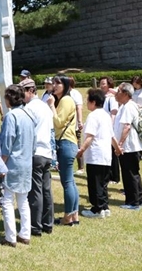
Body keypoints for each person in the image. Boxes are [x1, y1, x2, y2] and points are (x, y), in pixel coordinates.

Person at [0, 84, 37, 248]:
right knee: (23, 200)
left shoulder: (11, 116)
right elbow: (34, 143)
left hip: (12, 163)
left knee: (6, 200)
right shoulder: (30, 115)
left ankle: (10, 237)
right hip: (27, 162)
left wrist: (1, 164)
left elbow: (6, 144)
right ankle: (25, 233)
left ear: (9, 98)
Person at [21, 78, 56, 237]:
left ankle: (35, 225)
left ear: (30, 91)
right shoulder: (45, 107)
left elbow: (27, 132)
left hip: (36, 152)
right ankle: (48, 223)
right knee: (46, 190)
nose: (22, 97)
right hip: (47, 152)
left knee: (35, 191)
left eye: (23, 93)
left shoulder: (29, 108)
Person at [46, 75, 79, 226]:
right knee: (70, 182)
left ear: (65, 85)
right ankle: (74, 216)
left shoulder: (66, 100)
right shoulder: (65, 100)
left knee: (67, 182)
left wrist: (52, 105)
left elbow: (58, 123)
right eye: (54, 83)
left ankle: (67, 217)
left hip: (65, 143)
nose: (54, 85)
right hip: (68, 143)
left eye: (58, 83)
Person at [78, 88, 114, 219]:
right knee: (103, 183)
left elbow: (90, 137)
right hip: (106, 155)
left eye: (87, 100)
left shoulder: (93, 116)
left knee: (95, 183)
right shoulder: (106, 115)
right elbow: (112, 136)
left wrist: (81, 150)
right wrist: (117, 148)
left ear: (93, 102)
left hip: (95, 155)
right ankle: (104, 207)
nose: (87, 103)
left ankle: (97, 209)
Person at [114, 82, 142, 210]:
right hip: (131, 146)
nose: (116, 93)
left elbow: (126, 127)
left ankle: (133, 202)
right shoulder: (127, 105)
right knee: (133, 173)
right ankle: (139, 198)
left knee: (129, 174)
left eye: (118, 91)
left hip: (129, 147)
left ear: (126, 94)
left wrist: (119, 145)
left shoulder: (128, 107)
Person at [100, 76, 120, 184]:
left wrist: (110, 127)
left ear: (109, 84)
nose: (102, 85)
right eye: (101, 83)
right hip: (102, 127)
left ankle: (114, 177)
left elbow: (113, 113)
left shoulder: (111, 98)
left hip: (109, 128)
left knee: (112, 153)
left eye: (104, 83)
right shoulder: (102, 97)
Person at [68, 77, 85, 174]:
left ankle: (81, 167)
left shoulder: (75, 94)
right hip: (65, 125)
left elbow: (79, 108)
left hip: (74, 125)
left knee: (77, 144)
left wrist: (79, 122)